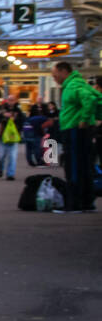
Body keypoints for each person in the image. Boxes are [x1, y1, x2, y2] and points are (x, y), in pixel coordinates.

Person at [50, 60, 102, 212]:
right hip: (81, 131)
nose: (54, 78)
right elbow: (98, 99)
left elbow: (90, 99)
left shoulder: (73, 85)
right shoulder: (80, 83)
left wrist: (85, 120)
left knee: (73, 167)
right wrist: (96, 118)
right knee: (85, 166)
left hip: (74, 130)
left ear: (63, 71)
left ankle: (74, 203)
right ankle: (87, 202)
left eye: (55, 75)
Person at [0, 95, 24, 181]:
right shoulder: (0, 108)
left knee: (12, 156)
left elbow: (23, 121)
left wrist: (15, 119)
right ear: (6, 100)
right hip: (1, 136)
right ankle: (0, 169)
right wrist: (2, 115)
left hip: (12, 137)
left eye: (12, 100)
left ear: (15, 101)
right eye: (9, 100)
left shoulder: (18, 111)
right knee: (0, 156)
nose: (11, 102)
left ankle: (10, 174)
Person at [23, 103, 48, 168]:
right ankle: (38, 161)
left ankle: (30, 161)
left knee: (29, 149)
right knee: (36, 148)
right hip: (35, 134)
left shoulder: (28, 118)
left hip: (27, 134)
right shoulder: (41, 117)